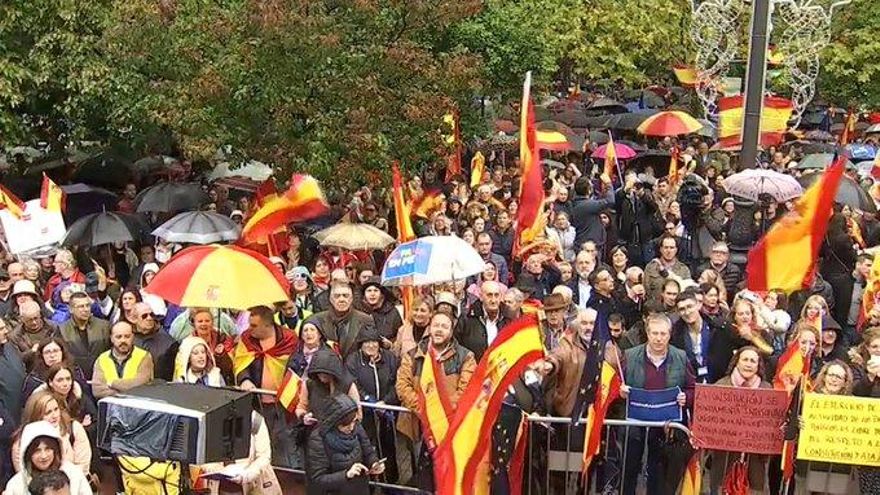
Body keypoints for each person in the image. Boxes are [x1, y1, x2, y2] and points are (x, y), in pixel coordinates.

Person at [396, 311, 476, 490]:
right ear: (429, 328)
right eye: (436, 325)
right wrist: (425, 411)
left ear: (451, 330)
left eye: (444, 326)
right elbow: (403, 387)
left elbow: (465, 390)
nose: (439, 330)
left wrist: (442, 414)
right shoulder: (412, 355)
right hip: (418, 426)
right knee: (422, 479)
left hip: (451, 427)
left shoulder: (466, 357)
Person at [620, 313, 695, 495]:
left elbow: (693, 388)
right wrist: (619, 391)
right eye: (655, 333)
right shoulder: (629, 356)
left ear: (669, 335)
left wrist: (686, 397)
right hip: (634, 427)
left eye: (663, 334)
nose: (659, 338)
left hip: (666, 428)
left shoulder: (681, 357)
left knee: (658, 475)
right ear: (647, 333)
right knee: (628, 471)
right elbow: (614, 386)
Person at [232, 305, 297, 466]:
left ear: (267, 325)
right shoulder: (246, 338)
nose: (249, 328)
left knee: (284, 440)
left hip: (284, 402)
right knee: (259, 441)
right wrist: (244, 379)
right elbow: (240, 362)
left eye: (254, 325)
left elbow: (297, 367)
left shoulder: (289, 338)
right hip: (256, 402)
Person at [708, 347, 771, 494]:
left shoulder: (767, 390)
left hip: (754, 460)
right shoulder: (721, 386)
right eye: (745, 360)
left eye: (752, 361)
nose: (748, 364)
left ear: (758, 365)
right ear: (737, 362)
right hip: (724, 456)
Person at [344, 326, 399, 483]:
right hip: (364, 415)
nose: (370, 345)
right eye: (366, 342)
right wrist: (370, 402)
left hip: (386, 413)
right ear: (360, 344)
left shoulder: (390, 358)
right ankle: (367, 483)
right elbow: (352, 384)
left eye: (374, 342)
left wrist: (386, 401)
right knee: (366, 448)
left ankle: (391, 482)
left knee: (388, 448)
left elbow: (397, 382)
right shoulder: (353, 361)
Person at [794, 360, 855, 495]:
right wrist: (798, 423)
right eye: (831, 375)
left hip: (838, 466)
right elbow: (790, 429)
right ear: (824, 377)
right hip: (809, 463)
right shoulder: (809, 399)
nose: (833, 379)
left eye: (839, 377)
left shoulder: (853, 405)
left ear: (845, 382)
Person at [306, 394, 382, 495]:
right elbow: (317, 479)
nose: (351, 427)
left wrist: (374, 463)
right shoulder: (318, 439)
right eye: (345, 425)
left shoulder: (356, 427)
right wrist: (346, 475)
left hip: (360, 489)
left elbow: (368, 451)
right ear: (334, 423)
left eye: (353, 422)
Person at [12, 391, 91, 475]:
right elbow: (24, 475)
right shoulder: (21, 443)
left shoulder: (74, 428)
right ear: (36, 415)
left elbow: (83, 466)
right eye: (48, 413)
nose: (54, 415)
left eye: (56, 409)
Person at [3, 421, 90, 495]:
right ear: (28, 453)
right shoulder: (16, 485)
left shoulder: (74, 474)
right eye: (37, 451)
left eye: (48, 449)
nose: (44, 456)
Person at [540, 308, 596, 417]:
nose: (588, 328)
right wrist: (550, 364)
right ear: (577, 325)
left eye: (592, 323)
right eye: (584, 323)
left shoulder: (608, 346)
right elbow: (559, 355)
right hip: (571, 410)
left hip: (597, 411)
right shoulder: (567, 343)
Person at [21, 338, 90, 416]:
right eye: (47, 352)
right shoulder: (34, 379)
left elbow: (87, 400)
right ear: (41, 355)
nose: (52, 356)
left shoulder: (75, 371)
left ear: (62, 353)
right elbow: (27, 410)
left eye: (55, 351)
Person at [91, 321, 154, 400]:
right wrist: (124, 391)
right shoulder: (102, 359)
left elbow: (140, 386)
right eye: (118, 337)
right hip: (110, 409)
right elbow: (97, 391)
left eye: (127, 336)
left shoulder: (144, 357)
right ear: (111, 338)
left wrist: (111, 383)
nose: (123, 340)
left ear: (133, 337)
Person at [313, 282, 374, 359]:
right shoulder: (317, 320)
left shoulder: (366, 320)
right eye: (337, 296)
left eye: (346, 296)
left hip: (355, 368)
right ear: (330, 299)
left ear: (351, 299)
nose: (341, 299)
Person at [58, 292, 110, 377]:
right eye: (81, 306)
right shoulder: (62, 330)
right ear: (71, 309)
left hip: (102, 375)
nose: (86, 309)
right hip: (76, 377)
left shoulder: (104, 326)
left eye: (88, 305)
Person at [456, 281, 508, 361]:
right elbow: (456, 345)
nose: (493, 300)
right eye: (489, 295)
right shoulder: (467, 318)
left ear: (501, 297)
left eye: (496, 295)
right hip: (473, 369)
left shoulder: (508, 318)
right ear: (481, 296)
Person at [131, 302, 177, 381]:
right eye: (144, 316)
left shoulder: (169, 343)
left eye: (151, 315)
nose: (149, 318)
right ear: (134, 319)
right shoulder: (127, 338)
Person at [10, 301, 58, 371]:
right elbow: (16, 360)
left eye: (36, 318)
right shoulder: (15, 336)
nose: (34, 322)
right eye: (29, 320)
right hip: (32, 371)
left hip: (54, 368)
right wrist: (31, 352)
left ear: (40, 315)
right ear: (22, 319)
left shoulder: (53, 328)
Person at [359, 277, 402, 349]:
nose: (372, 294)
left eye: (376, 290)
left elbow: (399, 336)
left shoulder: (392, 312)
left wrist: (390, 344)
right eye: (369, 291)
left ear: (382, 295)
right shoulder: (359, 311)